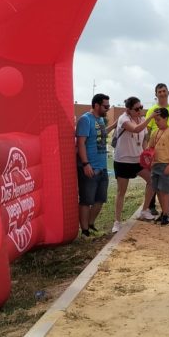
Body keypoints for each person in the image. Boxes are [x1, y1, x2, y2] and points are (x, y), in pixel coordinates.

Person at [111, 96, 156, 233]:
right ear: (128, 110)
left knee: (152, 180)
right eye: (136, 109)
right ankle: (117, 221)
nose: (140, 111)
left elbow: (142, 138)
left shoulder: (141, 119)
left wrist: (145, 154)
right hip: (123, 160)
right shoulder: (123, 119)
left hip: (137, 160)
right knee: (121, 192)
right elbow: (136, 129)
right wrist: (150, 117)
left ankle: (144, 210)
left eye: (141, 107)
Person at [144, 83, 169, 216]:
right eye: (159, 91)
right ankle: (151, 206)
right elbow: (148, 132)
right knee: (154, 181)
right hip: (156, 152)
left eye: (164, 91)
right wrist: (147, 152)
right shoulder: (152, 111)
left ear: (168, 92)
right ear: (156, 94)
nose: (162, 93)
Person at [77, 94, 112, 237]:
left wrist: (115, 125)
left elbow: (102, 136)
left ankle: (90, 224)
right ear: (96, 105)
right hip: (90, 167)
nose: (108, 109)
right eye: (106, 106)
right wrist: (85, 164)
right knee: (86, 200)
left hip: (102, 167)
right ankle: (84, 230)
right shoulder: (85, 120)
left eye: (109, 106)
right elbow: (80, 143)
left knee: (100, 199)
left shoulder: (101, 120)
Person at [148, 107, 169, 226]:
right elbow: (150, 147)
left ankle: (166, 215)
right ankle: (164, 213)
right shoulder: (155, 132)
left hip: (166, 164)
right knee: (158, 191)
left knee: (165, 191)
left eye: (159, 119)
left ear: (166, 118)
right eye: (155, 119)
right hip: (155, 165)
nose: (156, 121)